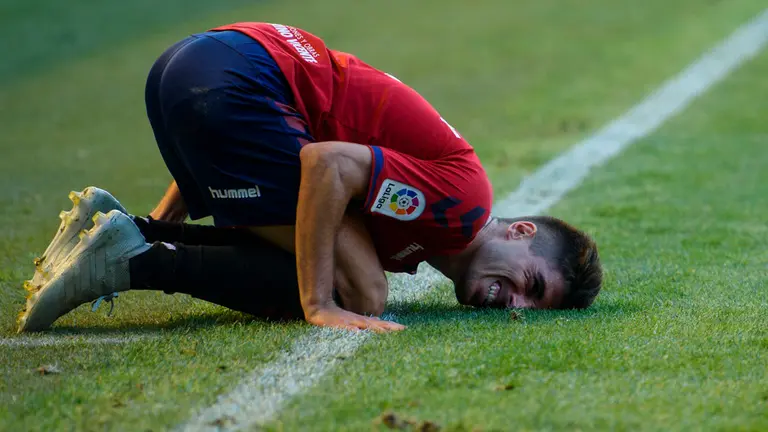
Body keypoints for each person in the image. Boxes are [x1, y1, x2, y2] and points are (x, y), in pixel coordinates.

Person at [17, 23, 603, 333]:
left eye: (530, 307)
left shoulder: (433, 229)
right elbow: (326, 163)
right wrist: (320, 303)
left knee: (322, 245)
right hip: (234, 82)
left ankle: (122, 232)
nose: (514, 304)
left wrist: (161, 218)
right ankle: (136, 262)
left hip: (190, 66)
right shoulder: (461, 207)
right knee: (362, 290)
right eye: (532, 284)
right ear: (520, 231)